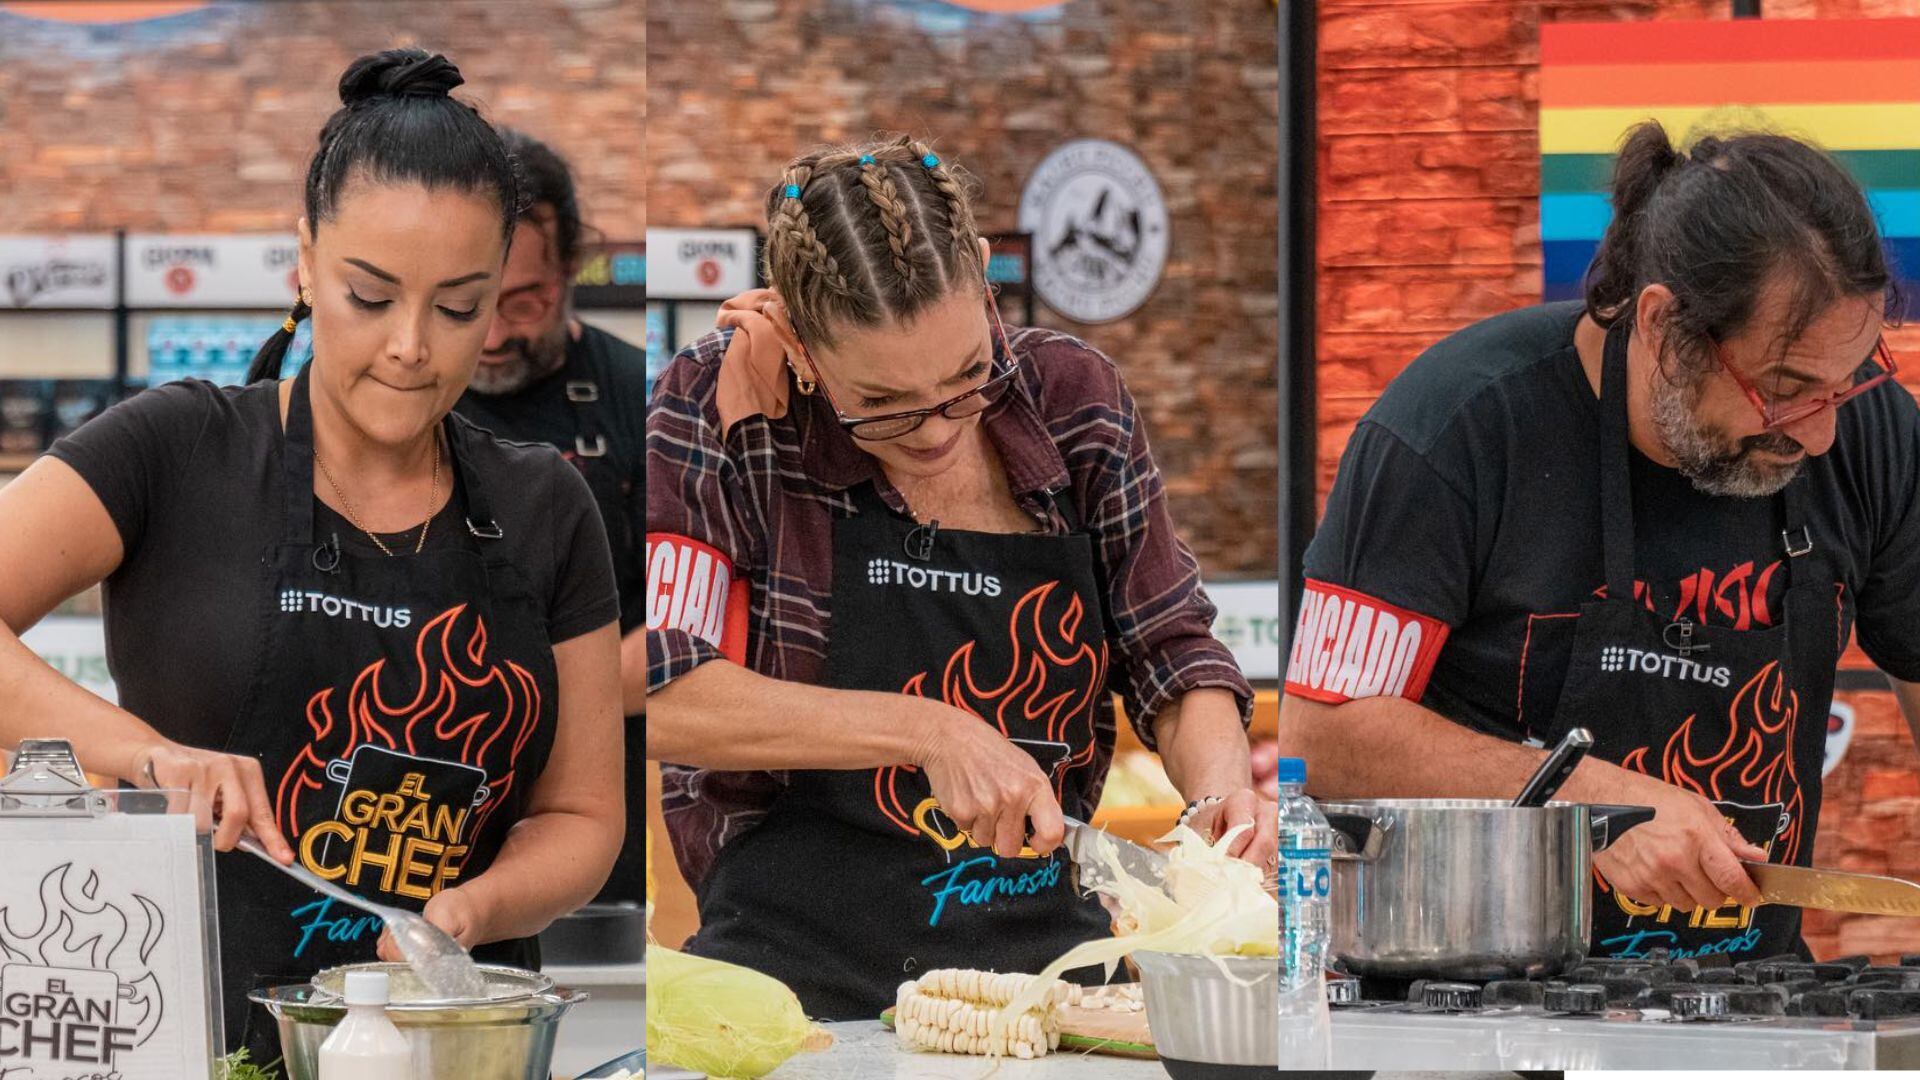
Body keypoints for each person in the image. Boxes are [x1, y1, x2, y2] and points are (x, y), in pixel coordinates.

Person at [0, 49, 625, 1056]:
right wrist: (152, 758)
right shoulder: (173, 450)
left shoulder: (546, 504)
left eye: (459, 306)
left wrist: (471, 909)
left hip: (447, 1049)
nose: (412, 348)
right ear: (304, 262)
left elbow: (585, 816)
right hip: (187, 1040)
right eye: (369, 298)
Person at [646, 135, 1275, 1019]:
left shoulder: (1074, 399)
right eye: (881, 406)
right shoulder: (722, 412)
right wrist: (931, 732)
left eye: (967, 377)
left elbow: (1171, 652)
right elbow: (662, 689)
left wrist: (1220, 801)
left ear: (982, 278)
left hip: (1052, 969)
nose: (938, 431)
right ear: (797, 337)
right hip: (791, 981)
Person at [1281, 121, 1920, 962]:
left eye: (1851, 378)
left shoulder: (1868, 434)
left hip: (1757, 1005)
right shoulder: (1459, 427)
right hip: (1470, 1000)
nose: (1824, 434)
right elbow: (1321, 736)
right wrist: (1582, 798)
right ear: (1662, 324)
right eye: (1786, 390)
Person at [453, 128, 646, 904]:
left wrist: (535, 699)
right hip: (432, 788)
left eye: (523, 301)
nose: (495, 337)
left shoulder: (638, 395)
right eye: (470, 306)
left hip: (601, 794)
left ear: (572, 268)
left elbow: (684, 618)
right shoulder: (398, 395)